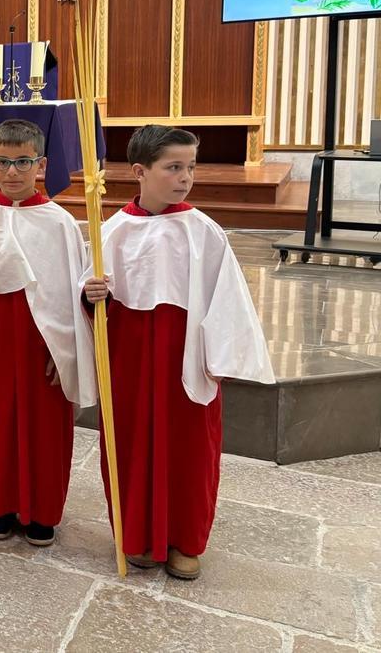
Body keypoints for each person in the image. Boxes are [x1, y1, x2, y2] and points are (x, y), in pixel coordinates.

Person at [82, 125, 275, 580]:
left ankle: (186, 539)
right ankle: (139, 537)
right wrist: (89, 294)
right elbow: (90, 295)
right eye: (173, 167)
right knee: (131, 444)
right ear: (139, 172)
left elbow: (227, 301)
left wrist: (219, 361)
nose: (185, 177)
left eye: (190, 167)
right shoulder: (111, 230)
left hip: (187, 357)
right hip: (131, 359)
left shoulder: (204, 232)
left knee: (189, 450)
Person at [0, 120, 96, 547]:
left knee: (43, 429)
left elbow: (72, 293)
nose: (12, 172)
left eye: (23, 162)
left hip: (41, 345)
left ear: (41, 164)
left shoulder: (60, 224)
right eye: (3, 162)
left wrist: (64, 350)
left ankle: (41, 511)